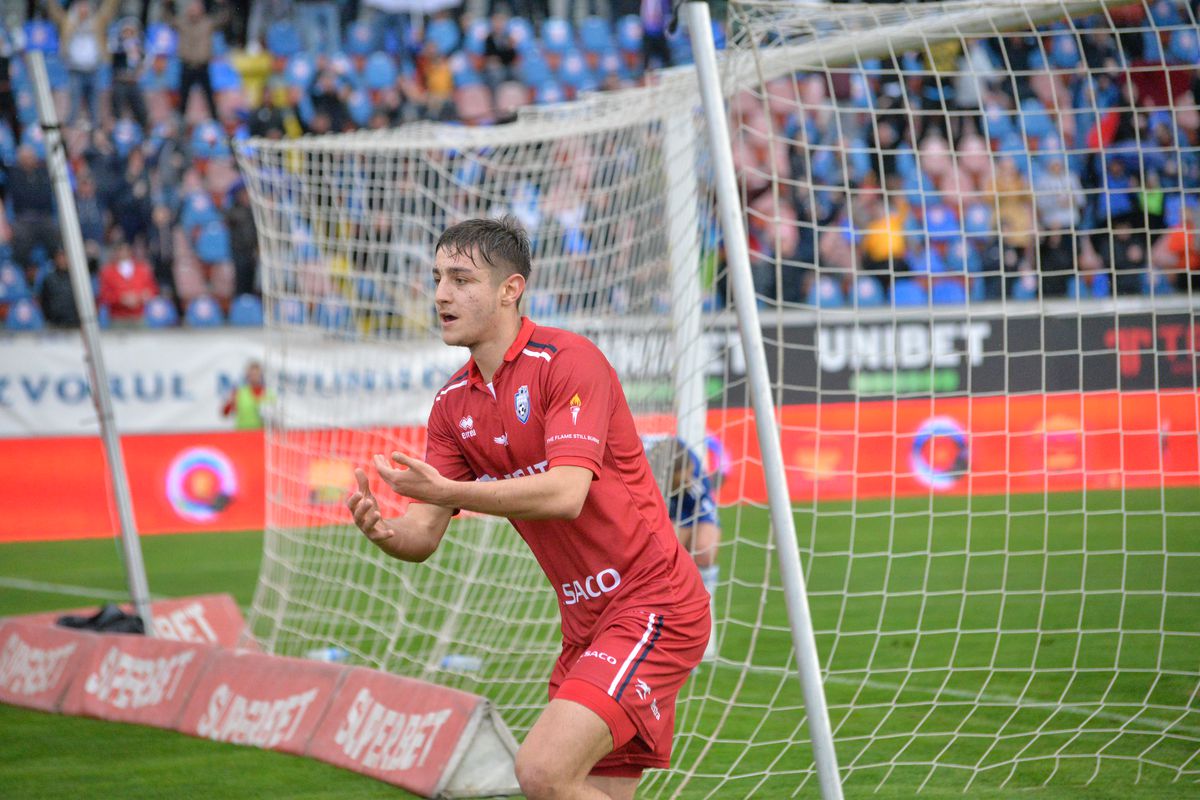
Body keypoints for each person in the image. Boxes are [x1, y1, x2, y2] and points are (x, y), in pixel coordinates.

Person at [346, 216, 710, 800]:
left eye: (462, 279)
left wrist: (452, 492)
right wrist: (385, 532)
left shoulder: (567, 361)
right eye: (438, 277)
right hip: (586, 626)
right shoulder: (450, 406)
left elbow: (566, 494)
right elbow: (422, 536)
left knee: (540, 772)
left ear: (510, 290)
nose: (441, 293)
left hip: (653, 604)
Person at [644, 435, 721, 662]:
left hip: (689, 507)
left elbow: (692, 514)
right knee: (660, 558)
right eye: (682, 478)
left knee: (702, 552)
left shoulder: (693, 478)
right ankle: (664, 637)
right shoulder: (639, 462)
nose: (688, 479)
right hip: (653, 498)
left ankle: (698, 619)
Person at [221, 360, 269, 430]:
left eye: (256, 374)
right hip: (242, 433)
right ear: (247, 375)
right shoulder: (239, 392)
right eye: (252, 374)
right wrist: (230, 403)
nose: (254, 377)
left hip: (260, 433)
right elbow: (225, 413)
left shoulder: (267, 393)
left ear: (261, 375)